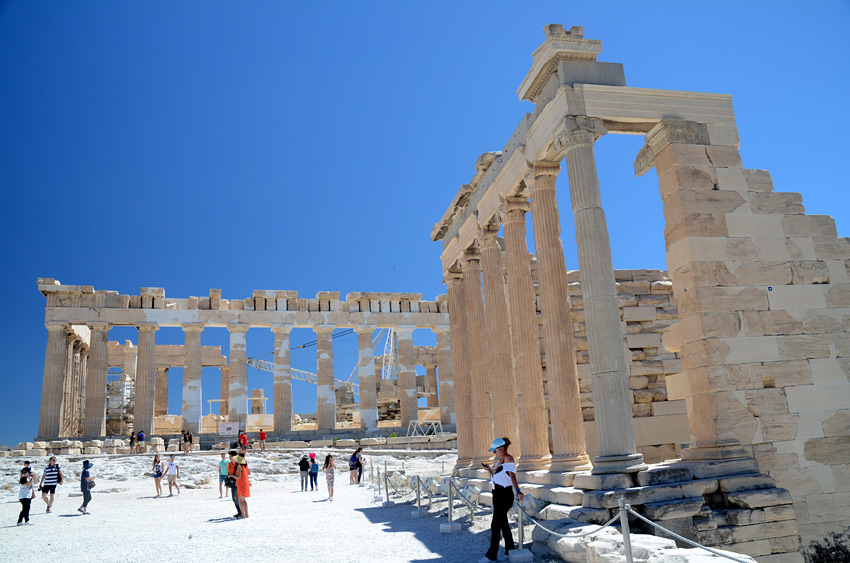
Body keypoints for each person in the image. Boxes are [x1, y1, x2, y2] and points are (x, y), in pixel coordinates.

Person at [480, 438, 524, 562]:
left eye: (495, 450)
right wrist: (489, 470)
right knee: (503, 524)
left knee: (495, 525)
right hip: (497, 495)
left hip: (504, 496)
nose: (494, 453)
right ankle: (510, 549)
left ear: (502, 448)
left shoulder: (508, 459)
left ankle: (491, 555)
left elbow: (513, 476)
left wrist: (518, 490)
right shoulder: (499, 461)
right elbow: (495, 479)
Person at [226, 450, 242, 518]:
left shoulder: (238, 464)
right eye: (229, 456)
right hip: (233, 483)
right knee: (234, 499)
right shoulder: (230, 464)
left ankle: (241, 512)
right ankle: (239, 512)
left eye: (231, 456)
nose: (230, 458)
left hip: (237, 483)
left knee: (238, 499)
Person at [234, 453, 250, 518]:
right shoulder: (245, 465)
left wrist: (232, 476)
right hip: (246, 483)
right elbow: (249, 473)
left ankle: (243, 515)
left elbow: (239, 477)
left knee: (240, 500)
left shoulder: (239, 466)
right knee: (244, 500)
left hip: (241, 484)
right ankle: (247, 514)